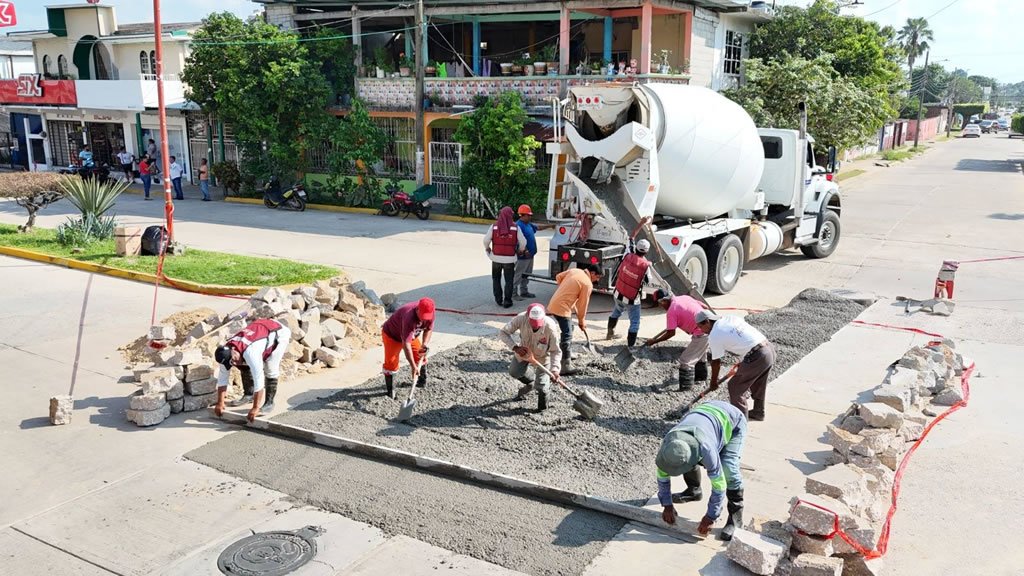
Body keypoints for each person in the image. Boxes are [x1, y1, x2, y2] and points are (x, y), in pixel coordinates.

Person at [657, 400, 747, 541]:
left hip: (733, 421)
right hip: (705, 413)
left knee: (728, 468)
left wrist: (711, 516)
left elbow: (719, 486)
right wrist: (667, 504)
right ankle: (694, 491)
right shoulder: (669, 446)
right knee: (685, 460)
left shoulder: (706, 449)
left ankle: (735, 520)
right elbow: (662, 477)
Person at [695, 310, 775, 421]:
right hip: (768, 349)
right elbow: (743, 338)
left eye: (700, 327)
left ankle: (741, 422)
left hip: (757, 355)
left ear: (707, 322)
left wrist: (713, 382)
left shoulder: (715, 335)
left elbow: (716, 362)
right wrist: (745, 360)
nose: (701, 331)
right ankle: (758, 412)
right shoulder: (730, 318)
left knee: (735, 387)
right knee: (758, 382)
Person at [213, 318, 292, 423]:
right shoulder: (224, 355)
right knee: (242, 364)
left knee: (270, 368)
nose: (234, 363)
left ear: (233, 350)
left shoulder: (251, 352)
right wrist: (220, 402)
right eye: (231, 362)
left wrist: (255, 408)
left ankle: (269, 403)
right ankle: (248, 395)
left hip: (278, 333)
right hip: (260, 329)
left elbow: (259, 381)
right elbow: (222, 380)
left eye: (233, 359)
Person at [497, 303, 562, 412]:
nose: (535, 326)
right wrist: (515, 347)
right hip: (524, 353)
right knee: (514, 372)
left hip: (542, 357)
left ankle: (542, 409)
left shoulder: (550, 327)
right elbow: (503, 332)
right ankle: (531, 381)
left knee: (542, 387)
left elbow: (555, 351)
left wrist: (555, 369)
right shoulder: (520, 319)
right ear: (527, 317)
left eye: (538, 324)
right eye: (533, 323)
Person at [643, 289, 710, 391]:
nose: (660, 306)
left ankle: (686, 389)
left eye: (659, 303)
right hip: (708, 328)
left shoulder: (672, 311)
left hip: (701, 333)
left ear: (663, 301)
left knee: (686, 360)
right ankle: (700, 379)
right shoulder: (684, 297)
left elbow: (671, 333)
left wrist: (654, 341)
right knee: (700, 355)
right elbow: (704, 307)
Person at [547, 263, 602, 375]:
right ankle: (565, 365)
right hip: (561, 309)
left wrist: (567, 291)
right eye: (597, 277)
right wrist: (582, 321)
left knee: (570, 327)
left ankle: (567, 353)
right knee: (567, 335)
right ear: (592, 273)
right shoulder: (587, 284)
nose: (597, 280)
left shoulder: (575, 271)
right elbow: (583, 305)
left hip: (554, 303)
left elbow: (558, 277)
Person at [606, 216, 654, 347]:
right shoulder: (645, 266)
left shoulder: (628, 253)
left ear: (636, 248)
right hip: (632, 299)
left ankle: (609, 333)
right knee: (635, 322)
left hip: (618, 292)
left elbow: (632, 237)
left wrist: (641, 223)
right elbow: (648, 281)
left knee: (616, 311)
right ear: (646, 252)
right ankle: (630, 347)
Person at [381, 297, 435, 399]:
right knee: (391, 363)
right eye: (423, 316)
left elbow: (428, 329)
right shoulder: (409, 317)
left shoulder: (430, 313)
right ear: (417, 309)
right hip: (392, 336)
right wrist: (413, 366)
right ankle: (390, 392)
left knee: (420, 356)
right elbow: (406, 345)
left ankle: (421, 382)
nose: (424, 319)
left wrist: (424, 344)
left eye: (427, 317)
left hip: (411, 335)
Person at [483, 206, 527, 308]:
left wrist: (487, 248)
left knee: (496, 279)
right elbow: (523, 242)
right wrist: (521, 250)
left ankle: (498, 300)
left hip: (496, 258)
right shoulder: (515, 227)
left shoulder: (494, 227)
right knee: (509, 281)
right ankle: (507, 301)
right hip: (509, 259)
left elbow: (485, 240)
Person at [513, 204, 552, 300]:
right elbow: (518, 240)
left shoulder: (528, 224)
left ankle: (524, 291)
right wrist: (525, 250)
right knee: (519, 274)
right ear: (522, 215)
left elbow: (538, 227)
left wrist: (551, 225)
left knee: (527, 274)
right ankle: (513, 293)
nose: (530, 217)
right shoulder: (518, 226)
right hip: (523, 256)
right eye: (528, 215)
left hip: (530, 255)